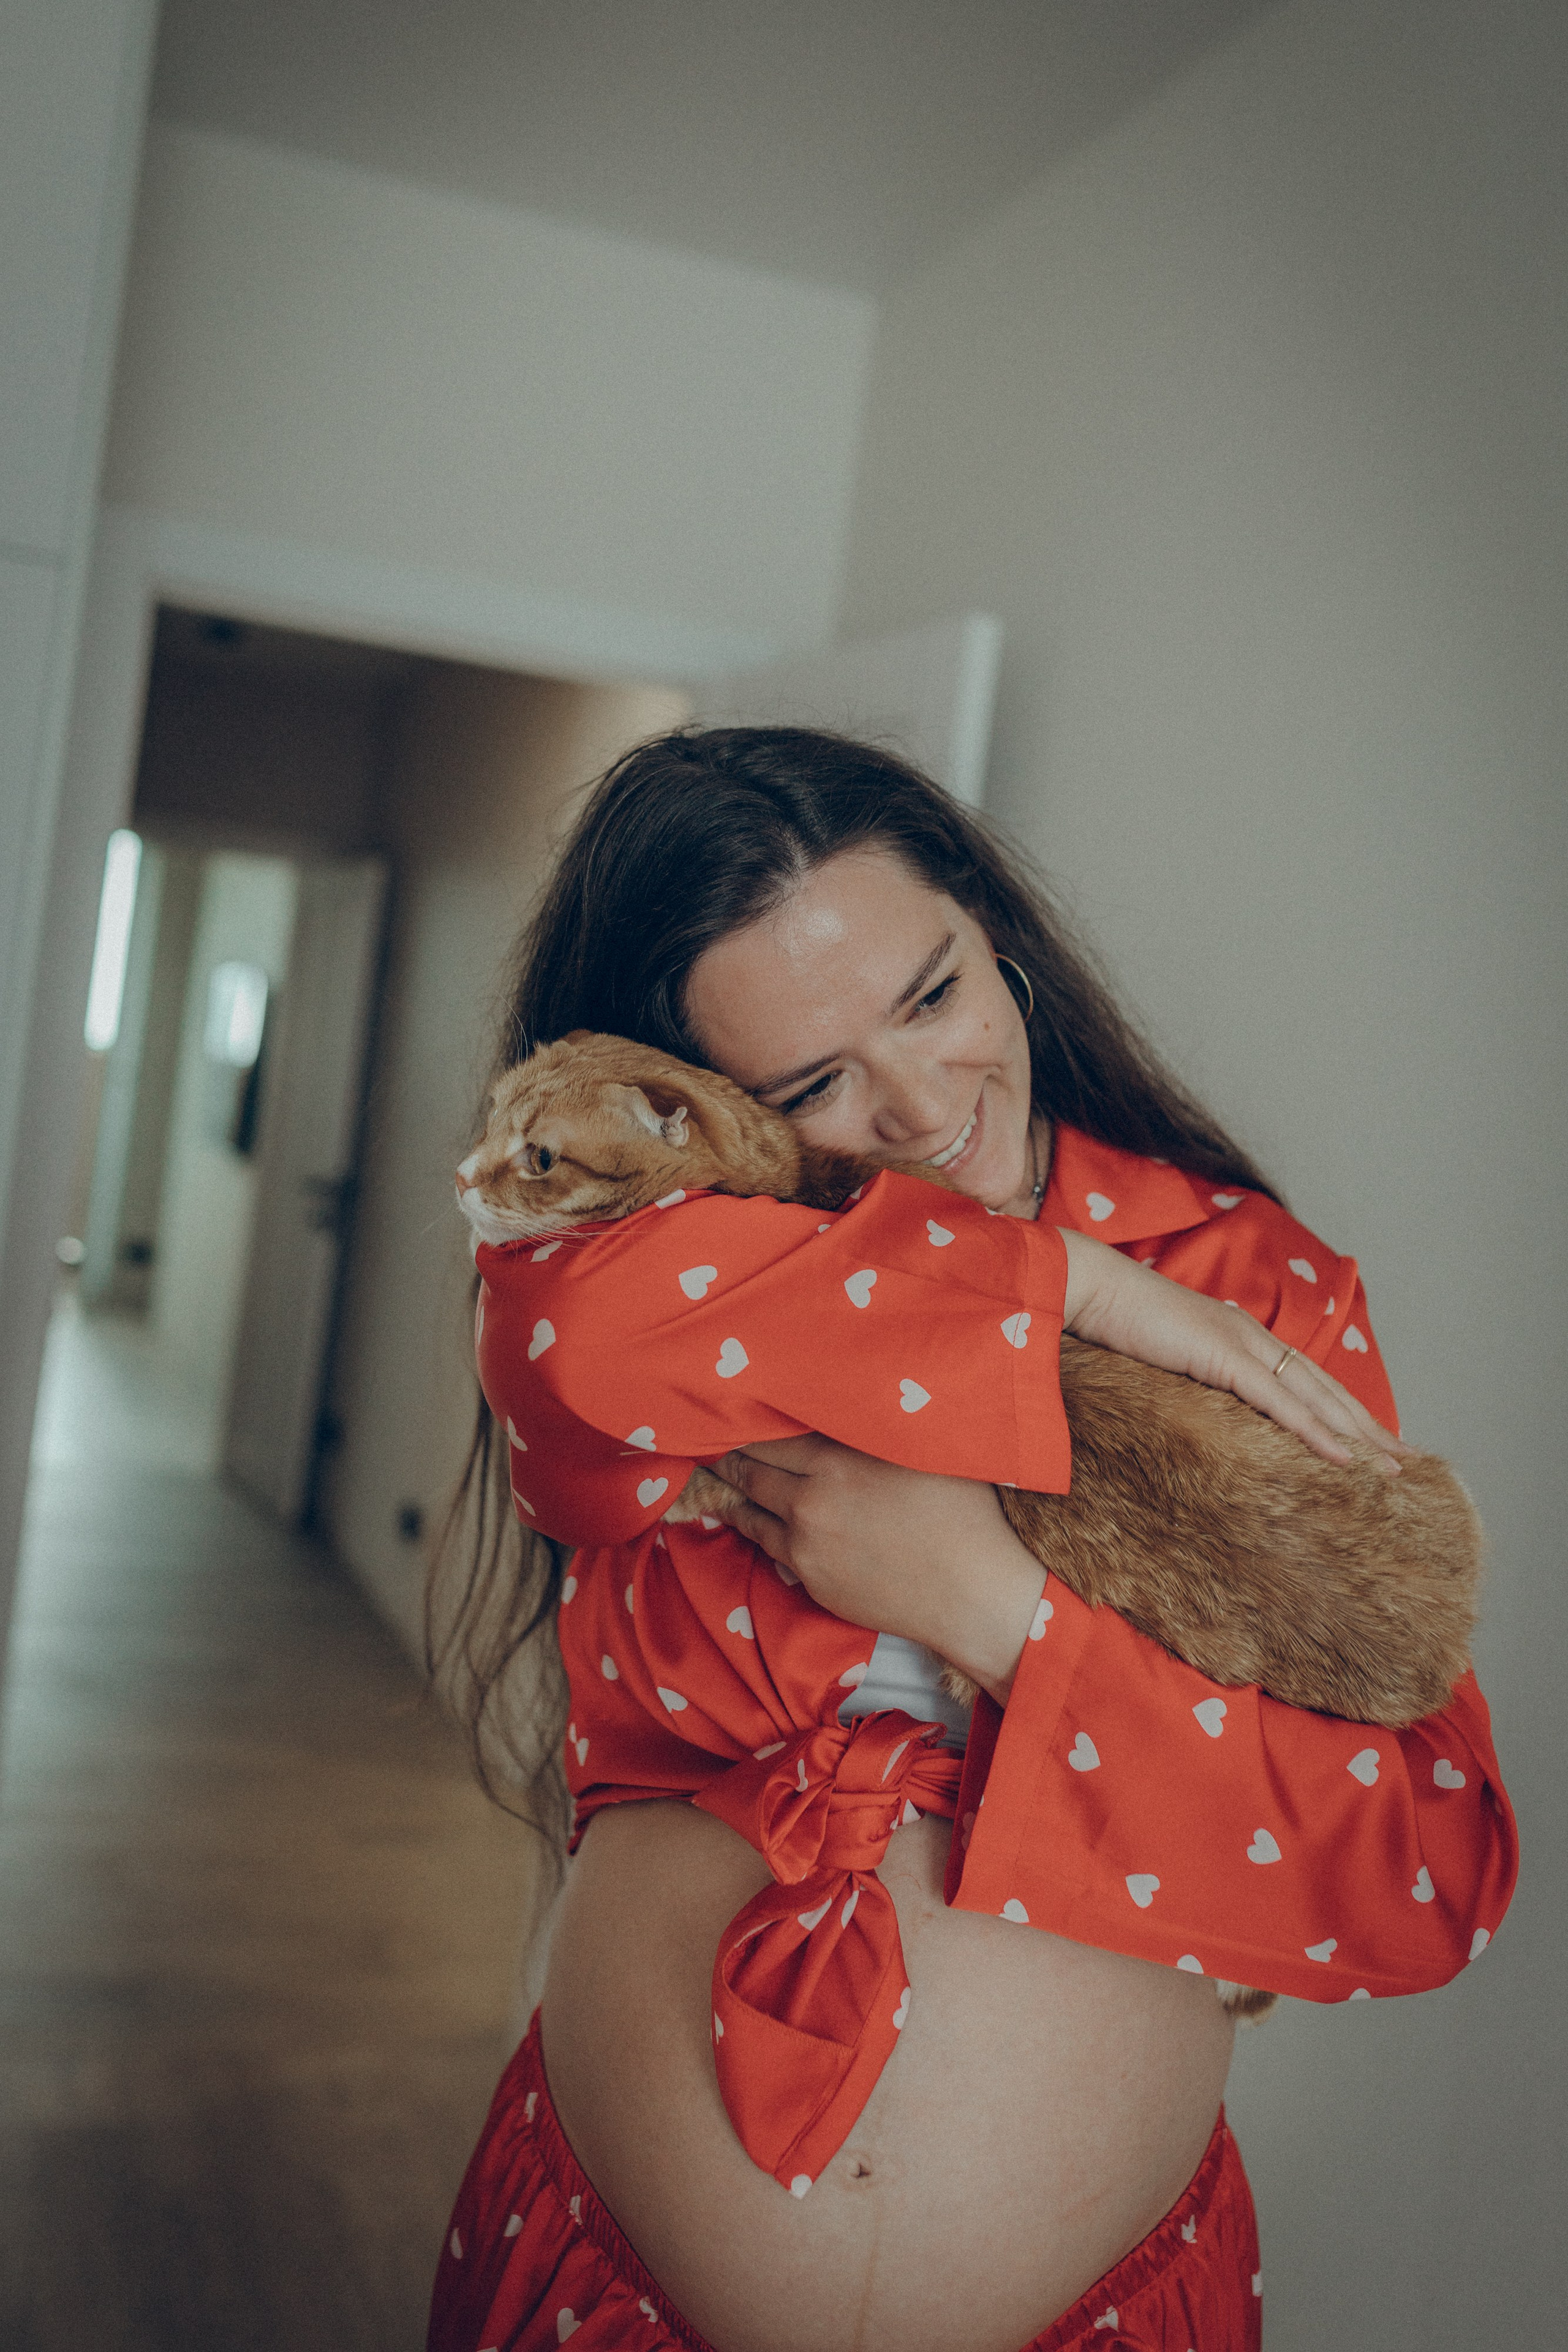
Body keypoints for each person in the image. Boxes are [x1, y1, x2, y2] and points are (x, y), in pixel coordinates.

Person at [426, 729, 1516, 2352]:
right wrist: (1067, 1287)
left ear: (996, 933)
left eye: (933, 995)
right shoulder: (648, 1283)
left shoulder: (1251, 1292)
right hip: (606, 2283)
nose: (926, 1107)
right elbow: (568, 1347)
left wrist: (996, 1611)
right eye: (812, 1086)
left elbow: (1422, 1871)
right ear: (700, 1104)